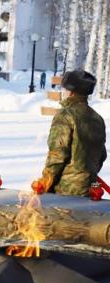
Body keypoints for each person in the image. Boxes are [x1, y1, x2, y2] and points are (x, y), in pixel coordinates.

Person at [33, 69, 106, 197]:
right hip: (90, 189)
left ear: (71, 91)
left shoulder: (65, 115)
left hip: (65, 190)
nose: (63, 92)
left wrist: (45, 182)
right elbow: (101, 155)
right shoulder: (97, 118)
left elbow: (58, 154)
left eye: (64, 88)